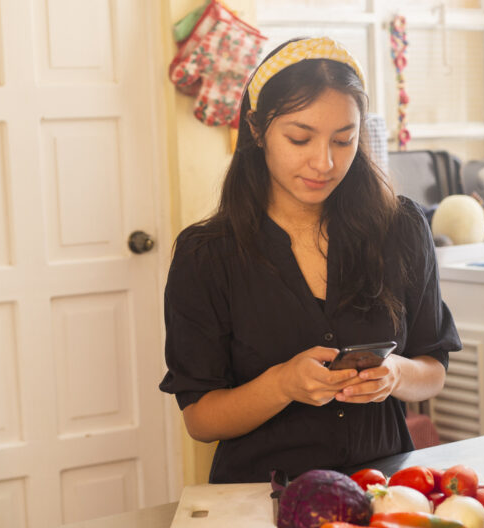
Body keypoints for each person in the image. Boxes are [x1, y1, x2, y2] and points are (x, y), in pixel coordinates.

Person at [159, 37, 461, 483]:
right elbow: (201, 420)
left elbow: (432, 369)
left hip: (384, 490)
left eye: (344, 140)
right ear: (258, 130)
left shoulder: (400, 228)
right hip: (260, 501)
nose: (324, 162)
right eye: (300, 138)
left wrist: (395, 374)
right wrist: (281, 385)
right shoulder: (207, 255)